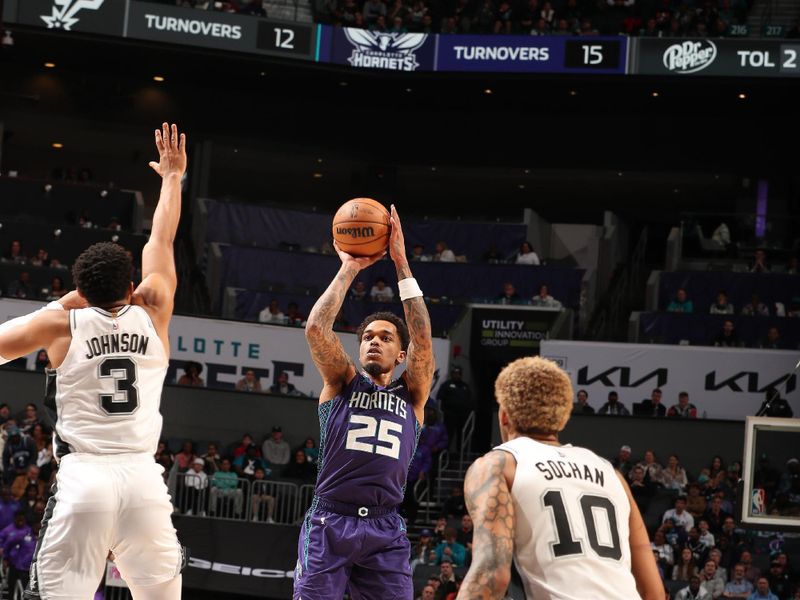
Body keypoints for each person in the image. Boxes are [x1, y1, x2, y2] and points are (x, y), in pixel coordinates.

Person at [0, 122, 186, 599]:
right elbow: (161, 242)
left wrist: (61, 304)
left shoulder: (61, 324)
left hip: (84, 482)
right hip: (145, 482)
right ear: (131, 286)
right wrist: (171, 177)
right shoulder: (155, 309)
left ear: (81, 290)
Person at [294, 204, 434, 600]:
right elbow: (317, 329)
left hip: (385, 528)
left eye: (386, 337)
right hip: (330, 521)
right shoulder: (342, 382)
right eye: (368, 336)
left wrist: (402, 265)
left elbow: (423, 338)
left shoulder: (414, 394)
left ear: (401, 355)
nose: (374, 340)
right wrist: (350, 268)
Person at [456, 356, 663, 600]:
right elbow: (654, 592)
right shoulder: (611, 473)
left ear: (504, 415)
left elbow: (492, 574)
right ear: (562, 417)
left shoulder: (499, 464)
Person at [436, 366, 474, 452]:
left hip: (462, 416)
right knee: (448, 435)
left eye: (458, 374)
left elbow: (470, 400)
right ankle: (445, 455)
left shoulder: (465, 386)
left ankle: (460, 454)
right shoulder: (446, 385)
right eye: (455, 373)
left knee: (462, 435)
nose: (457, 375)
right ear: (452, 374)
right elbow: (440, 398)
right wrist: (441, 411)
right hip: (449, 415)